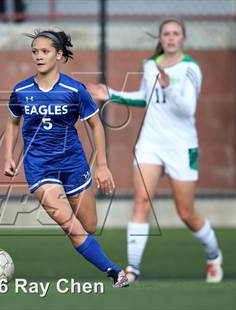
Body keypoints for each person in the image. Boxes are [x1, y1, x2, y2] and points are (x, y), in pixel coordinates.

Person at [88, 18, 223, 283]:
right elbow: (144, 98)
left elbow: (188, 109)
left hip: (182, 146)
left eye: (176, 34)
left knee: (186, 212)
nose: (171, 38)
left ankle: (214, 255)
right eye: (166, 34)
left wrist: (169, 86)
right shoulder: (150, 66)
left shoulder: (191, 69)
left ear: (183, 38)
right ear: (160, 39)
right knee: (140, 202)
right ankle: (133, 270)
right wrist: (111, 93)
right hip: (150, 143)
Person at [3, 29, 129, 288]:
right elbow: (13, 122)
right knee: (69, 225)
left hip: (73, 165)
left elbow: (95, 125)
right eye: (35, 52)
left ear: (59, 55)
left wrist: (102, 166)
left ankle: (100, 257)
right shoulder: (22, 90)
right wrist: (8, 156)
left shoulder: (74, 90)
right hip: (39, 167)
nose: (39, 56)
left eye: (45, 51)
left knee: (89, 226)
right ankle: (116, 272)